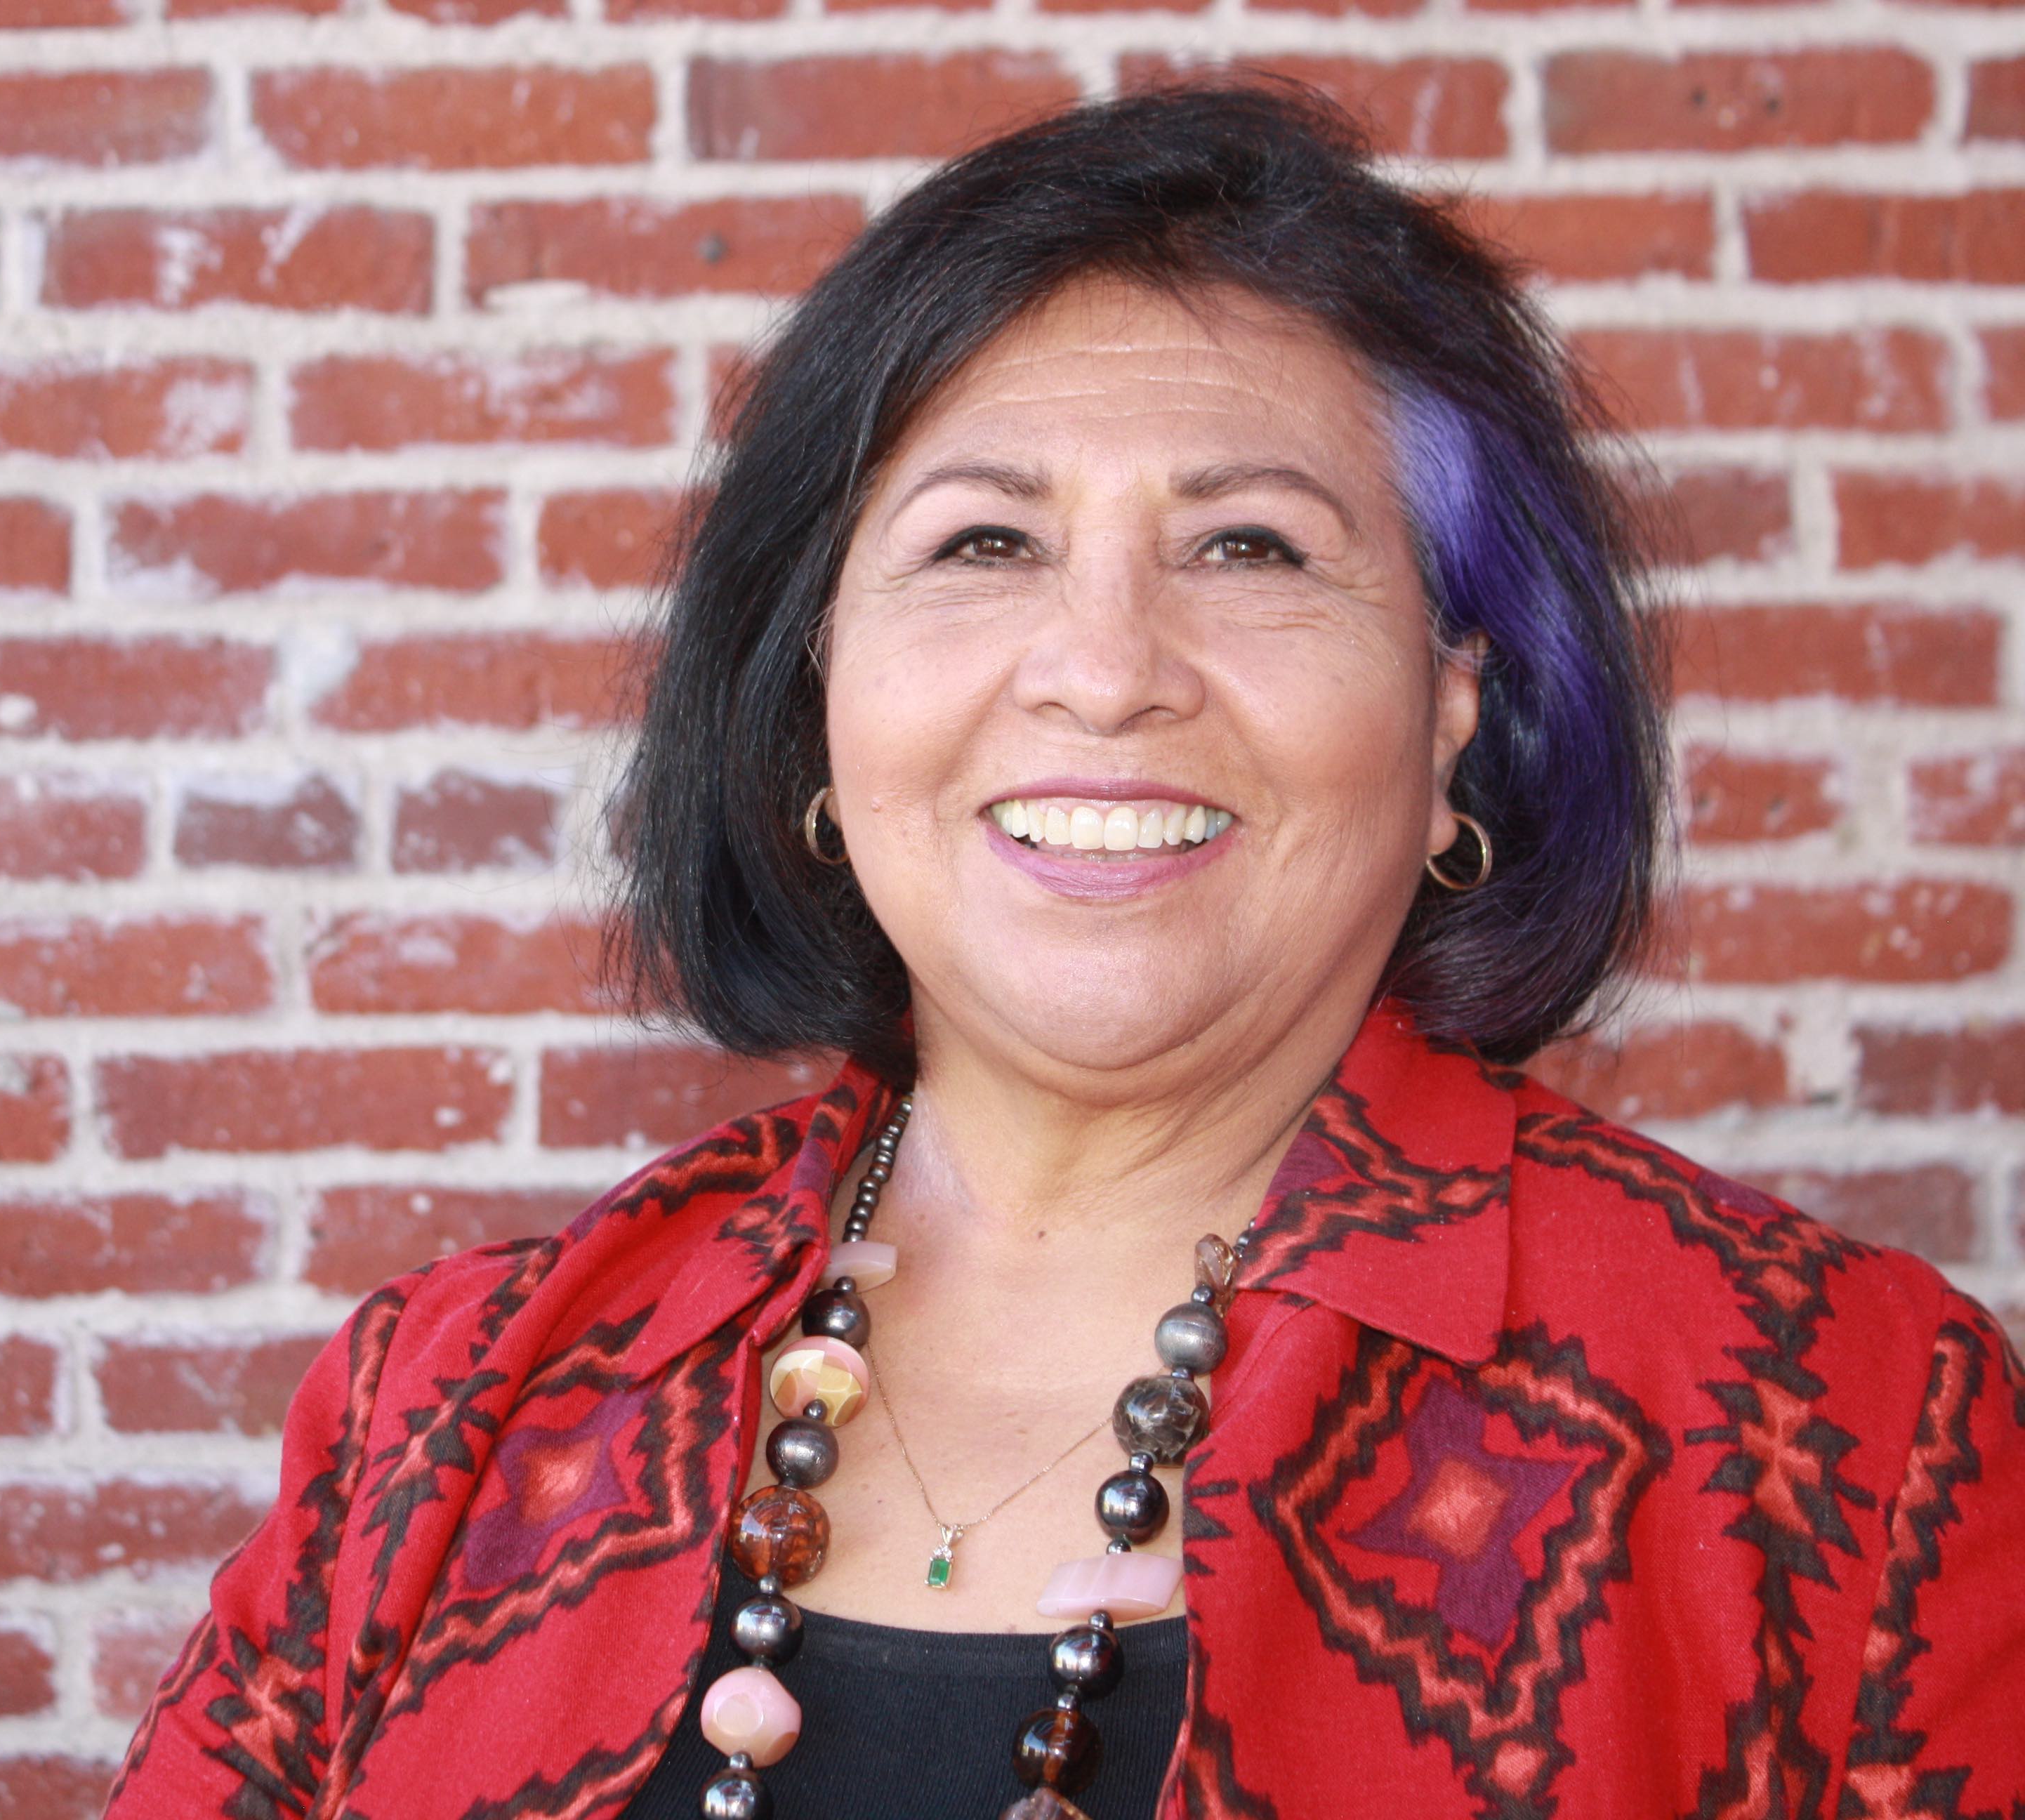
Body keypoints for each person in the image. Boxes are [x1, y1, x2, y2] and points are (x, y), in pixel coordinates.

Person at [103, 82, 2025, 1820]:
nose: (1105, 672)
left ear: (1453, 715)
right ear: (814, 721)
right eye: (984, 546)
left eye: (1253, 548)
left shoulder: (1835, 1436)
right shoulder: (441, 1416)